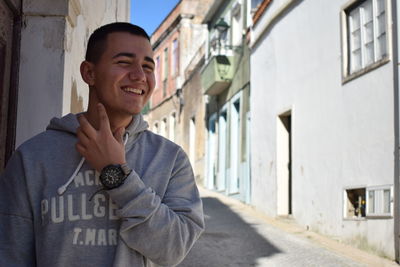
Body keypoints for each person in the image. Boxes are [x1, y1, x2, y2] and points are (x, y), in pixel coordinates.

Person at [0, 22, 204, 267]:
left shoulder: (171, 159)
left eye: (148, 66)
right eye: (124, 62)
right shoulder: (32, 158)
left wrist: (116, 175)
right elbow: (10, 255)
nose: (140, 76)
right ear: (89, 73)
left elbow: (174, 250)